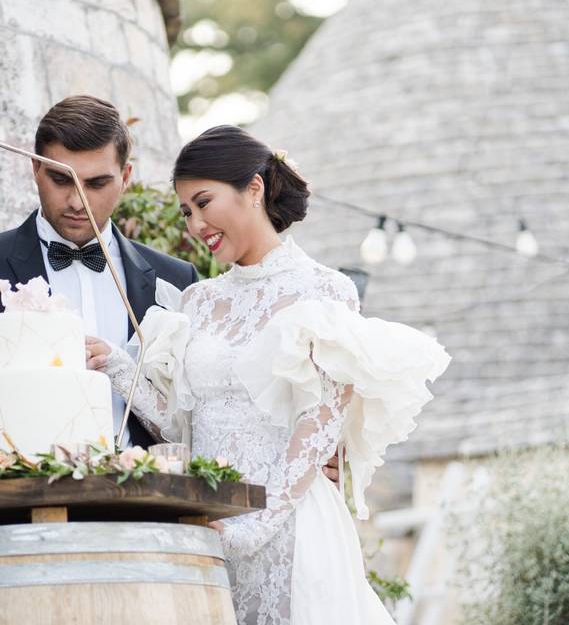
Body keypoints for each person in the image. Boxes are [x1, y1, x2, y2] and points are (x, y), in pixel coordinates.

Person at [96, 125, 451, 623]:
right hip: (212, 527)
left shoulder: (324, 291)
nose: (196, 224)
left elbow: (320, 421)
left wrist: (257, 526)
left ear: (255, 189)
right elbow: (183, 425)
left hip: (291, 528)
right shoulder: (198, 301)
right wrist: (113, 364)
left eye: (204, 202)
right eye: (186, 212)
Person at [0, 95, 198, 449]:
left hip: (148, 500)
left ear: (126, 177)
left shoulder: (176, 280)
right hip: (20, 498)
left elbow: (197, 420)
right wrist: (18, 389)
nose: (75, 201)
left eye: (97, 183)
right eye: (60, 179)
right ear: (35, 169)